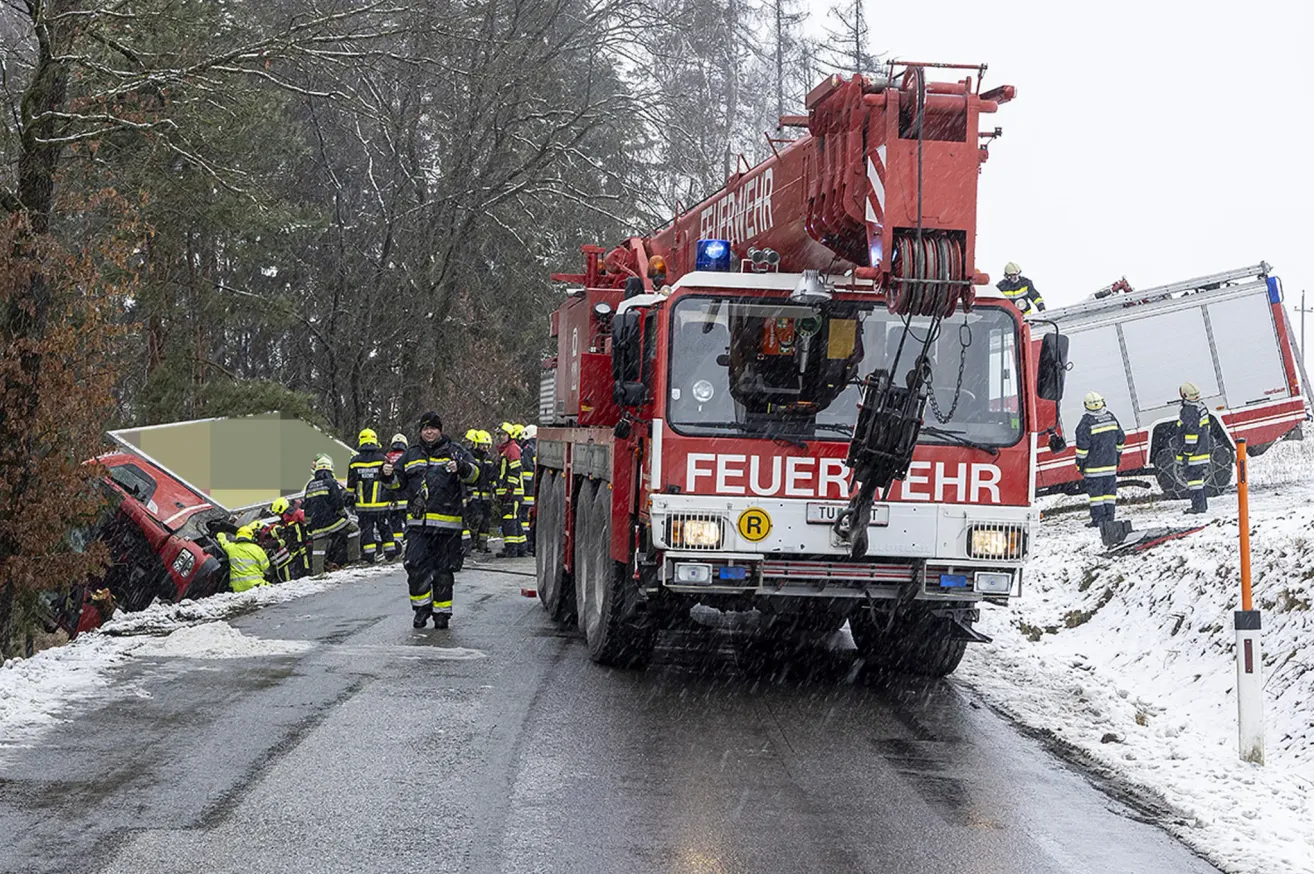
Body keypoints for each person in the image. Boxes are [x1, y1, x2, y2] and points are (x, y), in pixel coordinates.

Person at [383, 411, 480, 629]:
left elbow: (476, 474)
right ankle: (421, 609)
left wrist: (462, 468)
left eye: (434, 428)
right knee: (415, 567)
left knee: (443, 573)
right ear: (420, 431)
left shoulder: (455, 452)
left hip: (448, 528)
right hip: (418, 527)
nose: (429, 432)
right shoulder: (411, 455)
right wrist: (387, 475)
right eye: (426, 428)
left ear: (440, 430)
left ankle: (442, 614)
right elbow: (397, 485)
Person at [1073, 391, 1126, 528]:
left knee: (1096, 496)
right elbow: (1121, 438)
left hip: (1093, 467)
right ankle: (1110, 517)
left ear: (1086, 405)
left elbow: (1082, 448)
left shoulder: (1085, 423)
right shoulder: (1111, 418)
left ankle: (1098, 520)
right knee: (1109, 493)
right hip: (1110, 465)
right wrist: (1117, 456)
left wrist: (1080, 464)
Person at [348, 428, 396, 563]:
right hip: (381, 505)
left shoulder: (354, 461)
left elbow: (351, 485)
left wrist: (349, 500)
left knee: (366, 531)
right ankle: (390, 554)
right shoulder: (382, 459)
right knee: (385, 528)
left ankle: (369, 556)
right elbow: (390, 481)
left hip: (363, 507)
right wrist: (392, 497)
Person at [304, 453, 355, 574]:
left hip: (317, 524)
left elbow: (307, 507)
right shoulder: (331, 482)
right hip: (333, 521)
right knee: (354, 530)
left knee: (318, 550)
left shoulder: (310, 485)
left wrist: (309, 524)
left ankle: (318, 573)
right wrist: (343, 515)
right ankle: (354, 560)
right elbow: (337, 502)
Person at [1176, 382, 1213, 514]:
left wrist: (1187, 452)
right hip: (1202, 450)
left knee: (1194, 480)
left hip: (1194, 453)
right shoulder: (1200, 406)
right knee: (1198, 479)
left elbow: (1191, 433)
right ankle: (1202, 505)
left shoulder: (1189, 410)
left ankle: (1197, 507)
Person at [494, 422, 528, 558]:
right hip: (510, 493)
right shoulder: (507, 449)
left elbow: (515, 470)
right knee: (515, 519)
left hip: (512, 494)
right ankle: (520, 548)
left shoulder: (512, 449)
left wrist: (509, 489)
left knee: (510, 520)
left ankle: (511, 549)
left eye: (503, 434)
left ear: (510, 435)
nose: (501, 437)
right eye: (500, 435)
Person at [217, 524, 272, 593]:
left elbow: (223, 543)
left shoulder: (231, 548)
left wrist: (220, 533)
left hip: (237, 588)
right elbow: (265, 566)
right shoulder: (257, 549)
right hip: (255, 585)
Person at [265, 497, 309, 581]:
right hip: (298, 551)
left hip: (304, 548)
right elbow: (288, 537)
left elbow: (306, 528)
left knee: (307, 570)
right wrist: (277, 543)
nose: (278, 516)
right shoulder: (286, 521)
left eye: (278, 514)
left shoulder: (297, 515)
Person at [385, 433, 409, 558]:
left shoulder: (388, 457)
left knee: (395, 523)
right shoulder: (407, 456)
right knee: (409, 521)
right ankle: (410, 543)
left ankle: (397, 543)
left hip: (392, 497)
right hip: (406, 497)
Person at [520, 424, 538, 555]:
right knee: (532, 520)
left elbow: (526, 468)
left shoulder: (527, 448)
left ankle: (527, 544)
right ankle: (532, 544)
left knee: (524, 519)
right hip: (535, 491)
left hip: (526, 491)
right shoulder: (539, 447)